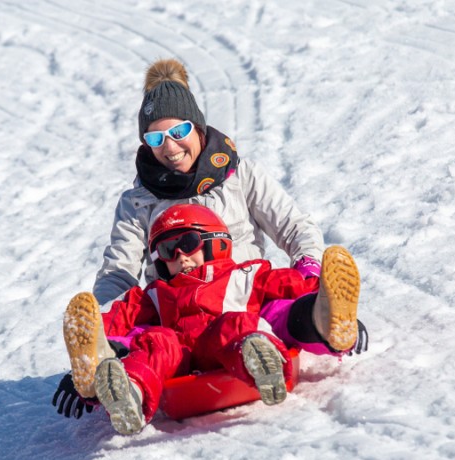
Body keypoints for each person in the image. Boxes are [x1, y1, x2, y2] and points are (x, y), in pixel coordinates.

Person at [92, 57, 361, 356]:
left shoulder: (240, 175)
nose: (169, 147)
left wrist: (309, 271)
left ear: (197, 127)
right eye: (155, 138)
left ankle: (328, 324)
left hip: (246, 297)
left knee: (285, 314)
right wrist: (101, 332)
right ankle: (105, 369)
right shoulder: (138, 201)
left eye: (179, 132)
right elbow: (119, 272)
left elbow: (293, 227)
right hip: (176, 314)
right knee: (147, 344)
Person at [58, 204, 361, 435]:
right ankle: (129, 393)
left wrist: (326, 305)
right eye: (166, 249)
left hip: (233, 346)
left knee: (238, 324)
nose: (179, 256)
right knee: (157, 342)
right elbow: (113, 323)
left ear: (214, 241)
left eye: (187, 242)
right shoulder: (154, 294)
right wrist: (93, 361)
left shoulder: (246, 274)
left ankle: (304, 337)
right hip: (182, 363)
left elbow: (295, 285)